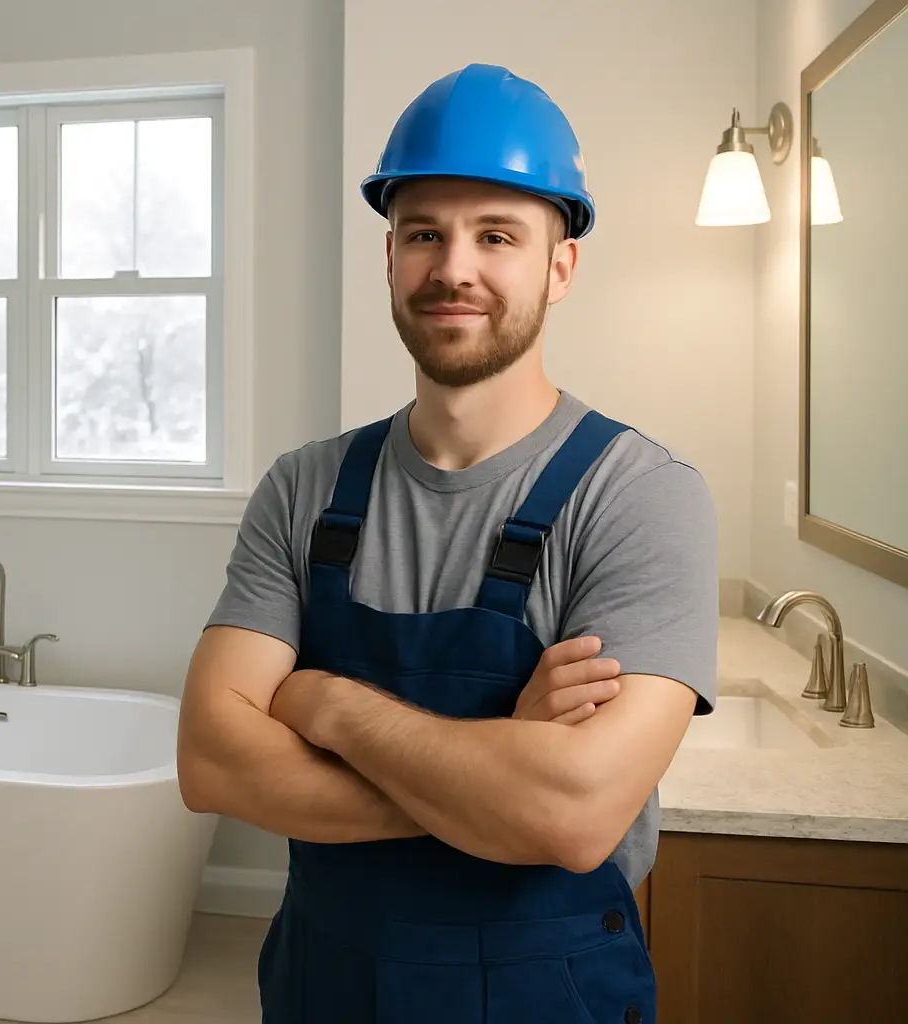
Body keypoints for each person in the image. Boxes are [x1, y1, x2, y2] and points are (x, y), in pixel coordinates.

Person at [176, 63, 719, 1024]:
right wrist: (496, 776)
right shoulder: (303, 488)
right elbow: (212, 762)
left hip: (546, 994)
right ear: (389, 257)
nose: (453, 268)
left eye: (496, 236)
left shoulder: (640, 496)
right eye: (424, 233)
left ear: (560, 267)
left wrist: (326, 704)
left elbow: (574, 816)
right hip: (322, 987)